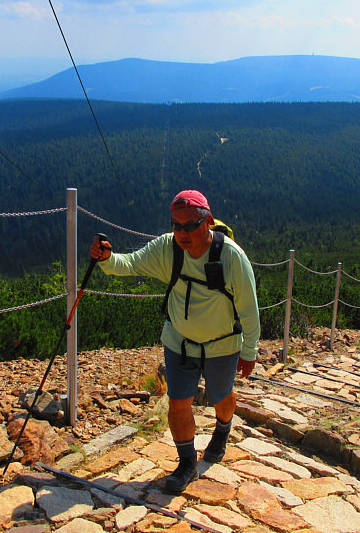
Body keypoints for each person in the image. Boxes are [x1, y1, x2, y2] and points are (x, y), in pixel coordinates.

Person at [89, 190, 260, 494]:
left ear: (207, 222)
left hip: (223, 345)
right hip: (180, 342)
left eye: (189, 226)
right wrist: (106, 258)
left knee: (221, 397)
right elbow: (129, 264)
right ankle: (187, 464)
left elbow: (249, 309)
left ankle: (222, 431)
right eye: (176, 226)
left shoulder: (232, 256)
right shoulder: (169, 248)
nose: (181, 233)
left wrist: (250, 351)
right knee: (178, 402)